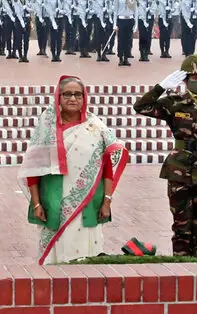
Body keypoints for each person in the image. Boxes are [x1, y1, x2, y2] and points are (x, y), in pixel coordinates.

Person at [18, 75, 128, 265]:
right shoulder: (47, 127)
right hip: (54, 203)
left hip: (88, 204)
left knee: (88, 258)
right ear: (58, 97)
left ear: (84, 98)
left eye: (78, 94)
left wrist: (107, 201)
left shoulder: (96, 127)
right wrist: (36, 204)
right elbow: (33, 169)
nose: (72, 99)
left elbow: (109, 167)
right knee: (55, 260)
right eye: (67, 94)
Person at [133, 56, 197, 257]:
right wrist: (160, 87)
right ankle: (181, 265)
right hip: (179, 169)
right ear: (185, 80)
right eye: (194, 76)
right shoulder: (173, 103)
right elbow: (141, 107)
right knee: (181, 225)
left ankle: (196, 264)